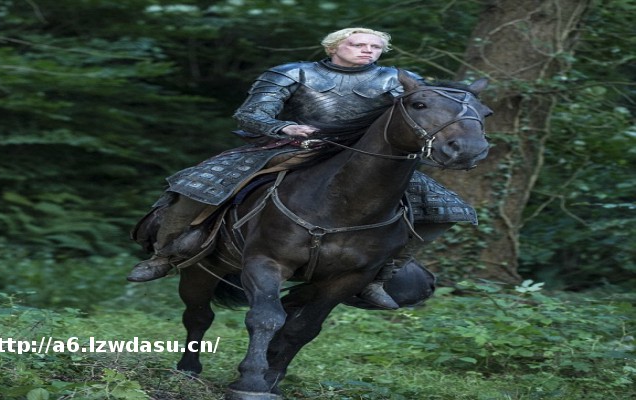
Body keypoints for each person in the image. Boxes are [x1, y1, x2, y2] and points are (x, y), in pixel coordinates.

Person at [127, 27, 477, 309]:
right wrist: (284, 127)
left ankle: (381, 274)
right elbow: (250, 114)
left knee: (448, 211)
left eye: (375, 47)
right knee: (195, 184)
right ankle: (165, 255)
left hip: (366, 159)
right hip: (291, 147)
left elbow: (430, 111)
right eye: (359, 45)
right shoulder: (293, 72)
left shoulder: (398, 79)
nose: (368, 51)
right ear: (334, 47)